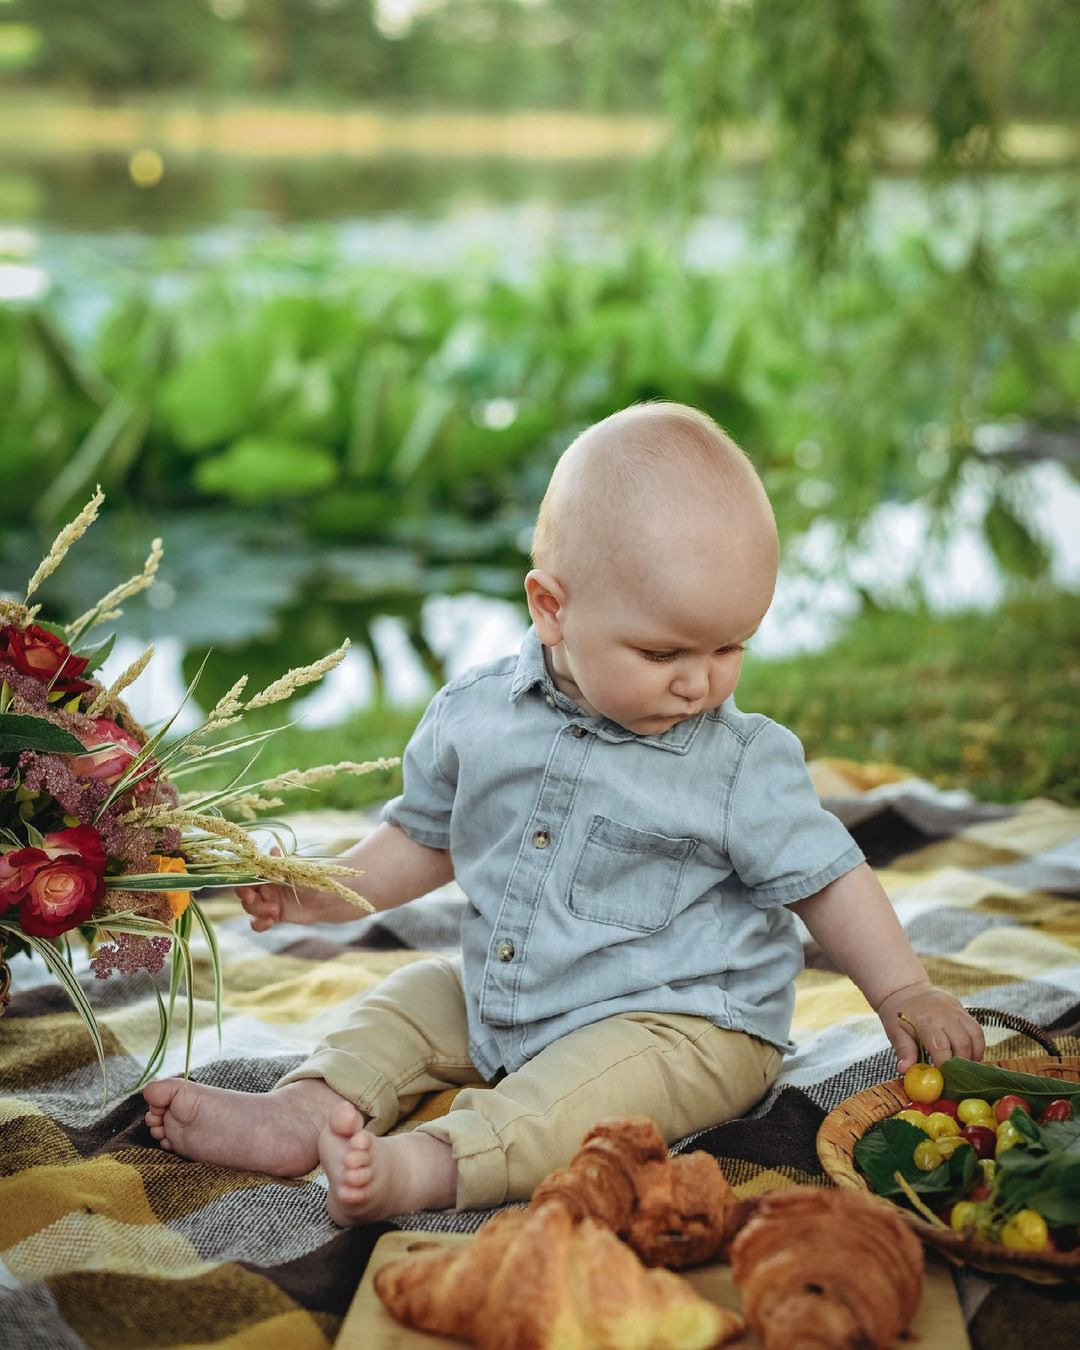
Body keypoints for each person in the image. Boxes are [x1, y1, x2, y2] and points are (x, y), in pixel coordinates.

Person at [144, 402, 985, 1225]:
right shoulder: (478, 715)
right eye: (664, 653)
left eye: (731, 647)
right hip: (517, 993)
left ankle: (435, 1165)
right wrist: (319, 893)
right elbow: (420, 839)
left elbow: (829, 880)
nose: (702, 683)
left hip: (687, 1025)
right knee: (412, 996)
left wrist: (902, 988)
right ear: (552, 607)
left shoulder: (737, 762)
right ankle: (306, 1109)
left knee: (574, 1099)